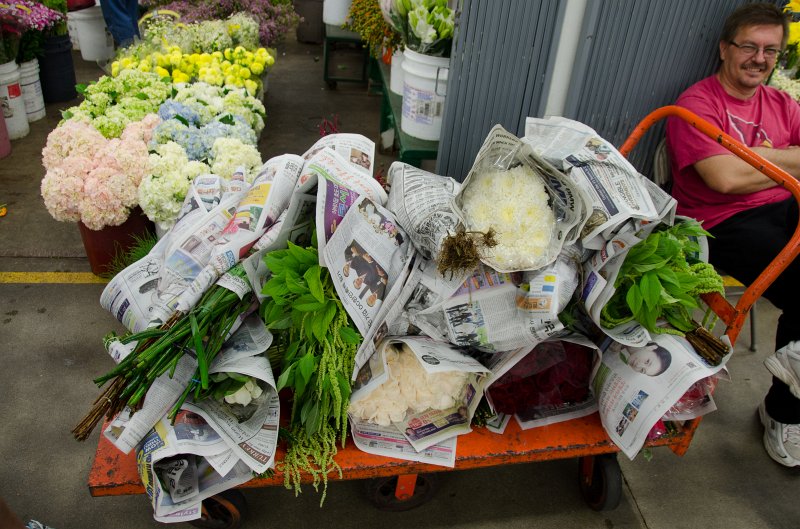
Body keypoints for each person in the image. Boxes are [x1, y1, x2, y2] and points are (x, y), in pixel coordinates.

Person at [665, 2, 800, 467]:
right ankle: (785, 414)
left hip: (786, 205)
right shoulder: (697, 104)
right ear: (725, 49)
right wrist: (786, 159)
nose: (760, 58)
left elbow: (743, 170)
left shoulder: (783, 103)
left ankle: (797, 362)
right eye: (749, 46)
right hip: (723, 222)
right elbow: (724, 180)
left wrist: (763, 156)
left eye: (771, 50)